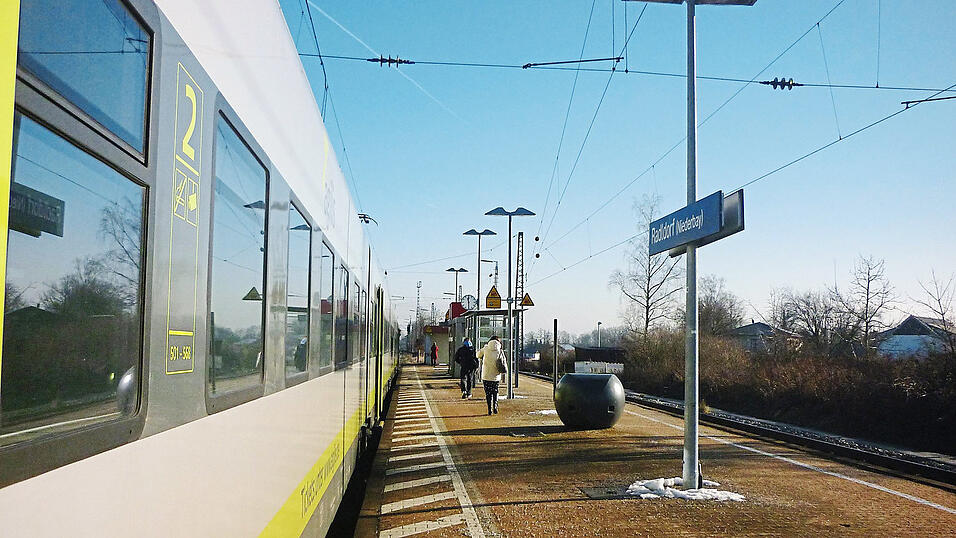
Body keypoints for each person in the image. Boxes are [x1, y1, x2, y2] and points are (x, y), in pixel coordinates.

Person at [477, 335, 507, 415]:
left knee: (488, 393)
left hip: (486, 376)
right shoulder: (500, 350)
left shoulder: (486, 349)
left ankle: (489, 409)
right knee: (495, 391)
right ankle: (495, 406)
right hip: (496, 376)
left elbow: (478, 355)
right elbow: (504, 361)